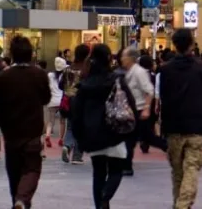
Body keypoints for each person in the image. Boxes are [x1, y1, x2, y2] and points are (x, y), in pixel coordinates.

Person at [71, 44, 136, 209]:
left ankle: (100, 204)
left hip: (93, 135)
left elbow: (76, 113)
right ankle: (106, 196)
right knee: (117, 170)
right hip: (115, 132)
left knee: (98, 173)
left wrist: (80, 137)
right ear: (109, 58)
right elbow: (130, 104)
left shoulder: (85, 84)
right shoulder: (116, 80)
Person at [0, 35, 51, 209]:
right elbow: (46, 98)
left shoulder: (4, 76)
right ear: (31, 53)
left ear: (12, 54)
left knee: (14, 173)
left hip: (11, 132)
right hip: (32, 131)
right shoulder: (39, 74)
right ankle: (22, 199)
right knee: (32, 169)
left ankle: (18, 200)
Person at [159, 29, 202, 209]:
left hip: (173, 125)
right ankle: (182, 205)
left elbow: (163, 97)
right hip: (197, 124)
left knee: (177, 172)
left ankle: (178, 204)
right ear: (191, 44)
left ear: (174, 45)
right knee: (191, 168)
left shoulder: (165, 69)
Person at [120, 47, 158, 176]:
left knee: (146, 137)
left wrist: (147, 108)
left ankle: (171, 149)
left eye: (124, 56)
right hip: (132, 110)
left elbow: (149, 90)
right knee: (134, 138)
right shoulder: (128, 71)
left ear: (130, 58)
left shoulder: (139, 72)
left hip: (139, 109)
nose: (122, 59)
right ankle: (126, 166)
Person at [60, 43, 91, 165]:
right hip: (82, 101)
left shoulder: (68, 68)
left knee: (71, 126)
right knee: (81, 128)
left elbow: (61, 84)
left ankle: (67, 146)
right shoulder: (87, 69)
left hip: (68, 101)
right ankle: (77, 156)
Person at [44, 57, 66, 149]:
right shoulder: (65, 75)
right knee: (62, 121)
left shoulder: (50, 75)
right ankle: (61, 139)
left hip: (52, 100)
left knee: (50, 121)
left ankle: (48, 135)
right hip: (61, 100)